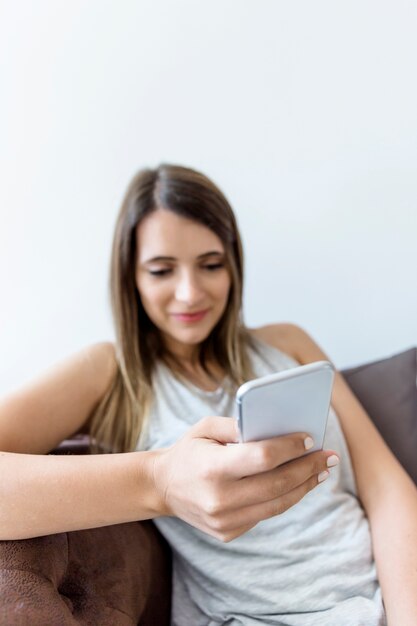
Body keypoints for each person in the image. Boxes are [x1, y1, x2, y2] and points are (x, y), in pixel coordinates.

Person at [0, 164, 416, 625]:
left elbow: (387, 488)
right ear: (130, 277)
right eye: (161, 270)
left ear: (234, 265)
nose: (190, 292)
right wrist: (159, 482)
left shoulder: (289, 343)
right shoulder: (108, 371)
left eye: (211, 265)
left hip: (384, 601)